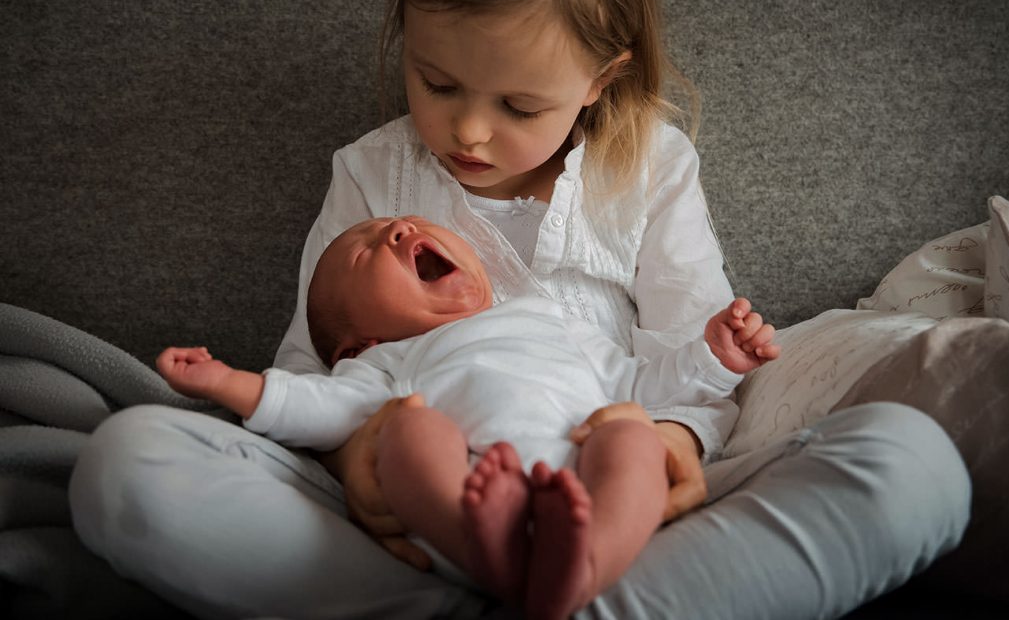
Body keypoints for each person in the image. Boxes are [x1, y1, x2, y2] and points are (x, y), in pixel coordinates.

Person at [70, 0, 970, 618]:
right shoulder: (374, 175)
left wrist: (664, 441)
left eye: (519, 107)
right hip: (425, 504)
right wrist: (362, 463)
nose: (466, 129)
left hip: (618, 501)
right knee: (125, 463)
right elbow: (317, 361)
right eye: (437, 81)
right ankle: (549, 594)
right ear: (407, 35)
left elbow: (697, 362)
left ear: (601, 79)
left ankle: (541, 585)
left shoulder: (653, 165)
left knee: (915, 463)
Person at [153, 215, 780, 618]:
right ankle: (496, 557)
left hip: (584, 478)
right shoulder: (382, 363)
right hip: (471, 494)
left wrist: (713, 358)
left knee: (634, 436)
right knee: (409, 431)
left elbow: (640, 385)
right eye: (364, 253)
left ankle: (585, 565)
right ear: (359, 342)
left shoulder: (550, 321)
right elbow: (311, 408)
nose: (394, 230)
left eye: (401, 225)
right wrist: (226, 383)